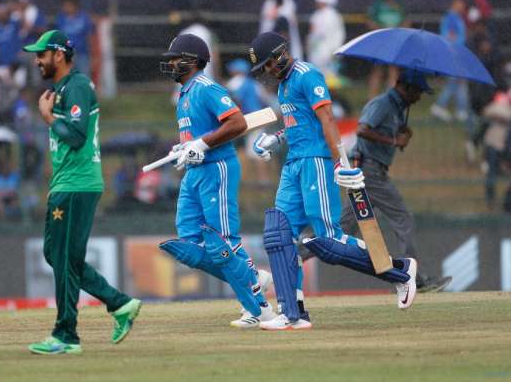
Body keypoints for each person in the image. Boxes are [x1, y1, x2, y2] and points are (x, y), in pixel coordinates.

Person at [250, 32, 417, 330]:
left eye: (267, 65)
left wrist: (340, 160)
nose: (266, 72)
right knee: (280, 234)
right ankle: (293, 313)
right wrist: (276, 139)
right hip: (293, 164)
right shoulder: (284, 87)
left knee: (328, 240)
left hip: (316, 160)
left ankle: (400, 271)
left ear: (280, 54)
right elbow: (298, 125)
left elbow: (327, 119)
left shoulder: (307, 75)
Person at [23, 30, 141, 355]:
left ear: (58, 55)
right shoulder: (63, 88)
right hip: (68, 183)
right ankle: (119, 304)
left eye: (41, 54)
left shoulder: (75, 86)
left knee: (62, 257)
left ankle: (66, 335)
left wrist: (47, 118)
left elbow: (76, 136)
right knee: (59, 255)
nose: (37, 60)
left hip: (76, 184)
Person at [158, 33, 276, 329]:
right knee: (191, 244)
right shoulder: (184, 95)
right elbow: (196, 135)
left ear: (192, 61)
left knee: (222, 241)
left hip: (217, 169)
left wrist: (203, 144)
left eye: (175, 58)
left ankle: (260, 309)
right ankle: (251, 277)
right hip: (194, 174)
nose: (171, 64)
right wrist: (183, 147)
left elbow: (237, 122)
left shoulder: (207, 88)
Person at [339, 70, 452, 292]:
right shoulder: (383, 103)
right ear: (406, 87)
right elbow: (362, 130)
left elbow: (394, 139)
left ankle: (296, 254)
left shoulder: (399, 109)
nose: (420, 97)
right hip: (369, 170)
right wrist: (393, 139)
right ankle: (413, 279)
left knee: (342, 229)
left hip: (369, 169)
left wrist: (402, 136)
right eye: (418, 91)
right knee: (403, 219)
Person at [430, 0, 471, 125]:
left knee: (458, 82)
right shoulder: (451, 18)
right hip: (454, 53)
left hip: (457, 52)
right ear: (454, 5)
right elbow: (449, 36)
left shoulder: (456, 18)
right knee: (456, 81)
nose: (463, 7)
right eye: (461, 4)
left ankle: (461, 110)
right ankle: (441, 106)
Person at [366, 0, 408, 98]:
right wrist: (382, 30)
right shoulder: (378, 6)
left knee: (393, 69)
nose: (391, 0)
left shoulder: (400, 7)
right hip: (381, 40)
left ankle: (391, 96)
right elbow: (370, 22)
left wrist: (397, 31)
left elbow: (406, 23)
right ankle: (371, 97)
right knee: (377, 69)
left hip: (394, 40)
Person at [306, 0, 344, 78]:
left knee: (317, 76)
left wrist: (309, 44)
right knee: (331, 76)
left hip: (320, 52)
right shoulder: (336, 15)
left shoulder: (319, 15)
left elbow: (315, 34)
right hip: (332, 51)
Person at [55, 0, 95, 77]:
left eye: (68, 6)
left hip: (82, 53)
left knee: (84, 77)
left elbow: (90, 36)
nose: (65, 8)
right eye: (64, 6)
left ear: (74, 6)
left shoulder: (84, 18)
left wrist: (93, 54)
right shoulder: (61, 18)